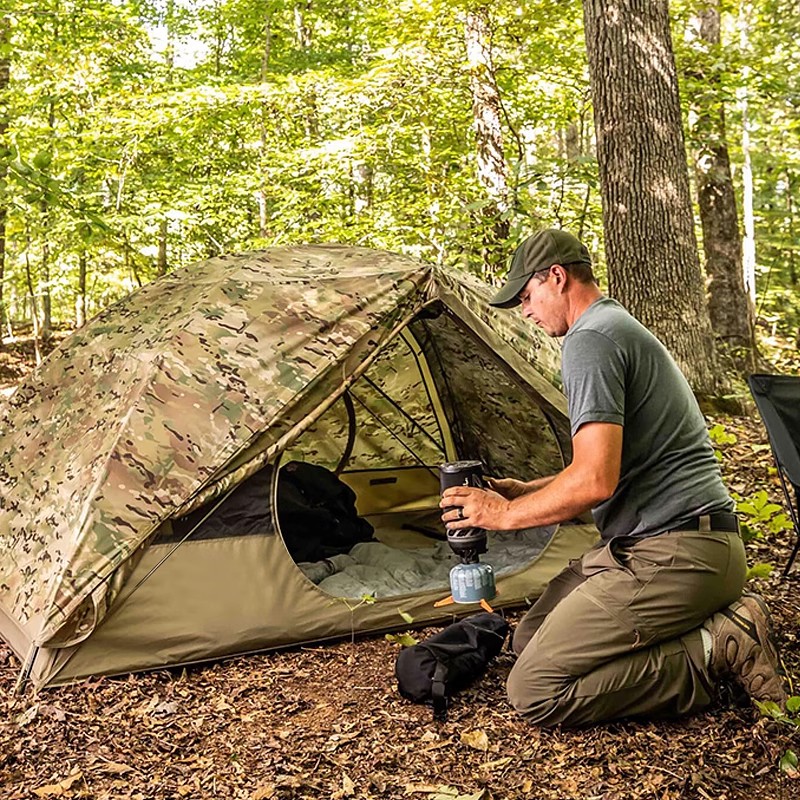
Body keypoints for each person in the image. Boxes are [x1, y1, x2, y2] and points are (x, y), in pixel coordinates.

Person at [440, 228, 787, 727]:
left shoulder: (591, 341)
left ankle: (718, 645)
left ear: (556, 277)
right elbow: (605, 470)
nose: (524, 310)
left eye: (526, 294)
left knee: (535, 689)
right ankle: (693, 623)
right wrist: (527, 491)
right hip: (670, 544)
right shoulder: (611, 326)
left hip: (678, 553)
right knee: (526, 640)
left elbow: (595, 483)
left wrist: (503, 514)